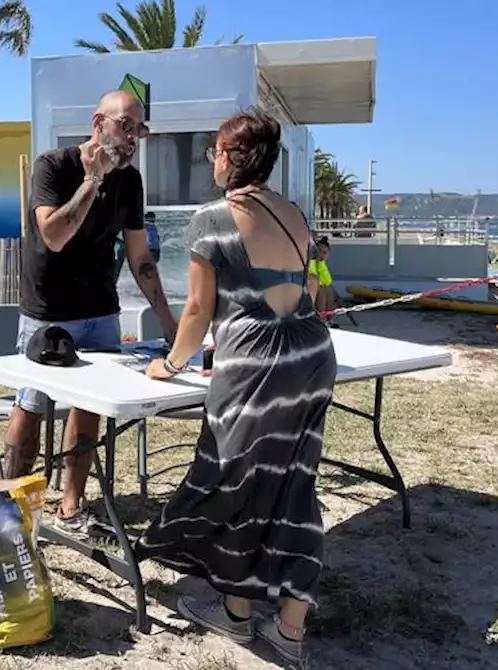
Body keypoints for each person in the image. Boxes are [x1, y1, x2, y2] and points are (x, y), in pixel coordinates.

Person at [137, 109, 336, 667]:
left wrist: (170, 364)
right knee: (293, 486)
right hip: (311, 354)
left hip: (254, 365)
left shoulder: (211, 219)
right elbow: (304, 289)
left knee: (230, 484)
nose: (211, 159)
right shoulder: (294, 212)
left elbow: (199, 309)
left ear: (235, 158)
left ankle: (237, 613)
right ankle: (285, 629)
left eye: (216, 151)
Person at [6, 90, 178, 535]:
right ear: (98, 121)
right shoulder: (53, 166)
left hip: (101, 310)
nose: (132, 138)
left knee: (88, 408)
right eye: (125, 126)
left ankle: (70, 506)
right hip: (48, 313)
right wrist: (91, 181)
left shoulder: (131, 181)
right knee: (31, 408)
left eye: (138, 130)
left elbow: (140, 257)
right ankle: (11, 511)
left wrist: (170, 321)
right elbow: (54, 236)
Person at [308, 235, 336, 323]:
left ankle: (328, 318)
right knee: (322, 291)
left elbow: (327, 281)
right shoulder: (311, 262)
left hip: (319, 286)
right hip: (311, 287)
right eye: (320, 251)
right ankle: (321, 319)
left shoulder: (321, 263)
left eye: (325, 252)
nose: (322, 254)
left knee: (329, 289)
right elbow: (312, 276)